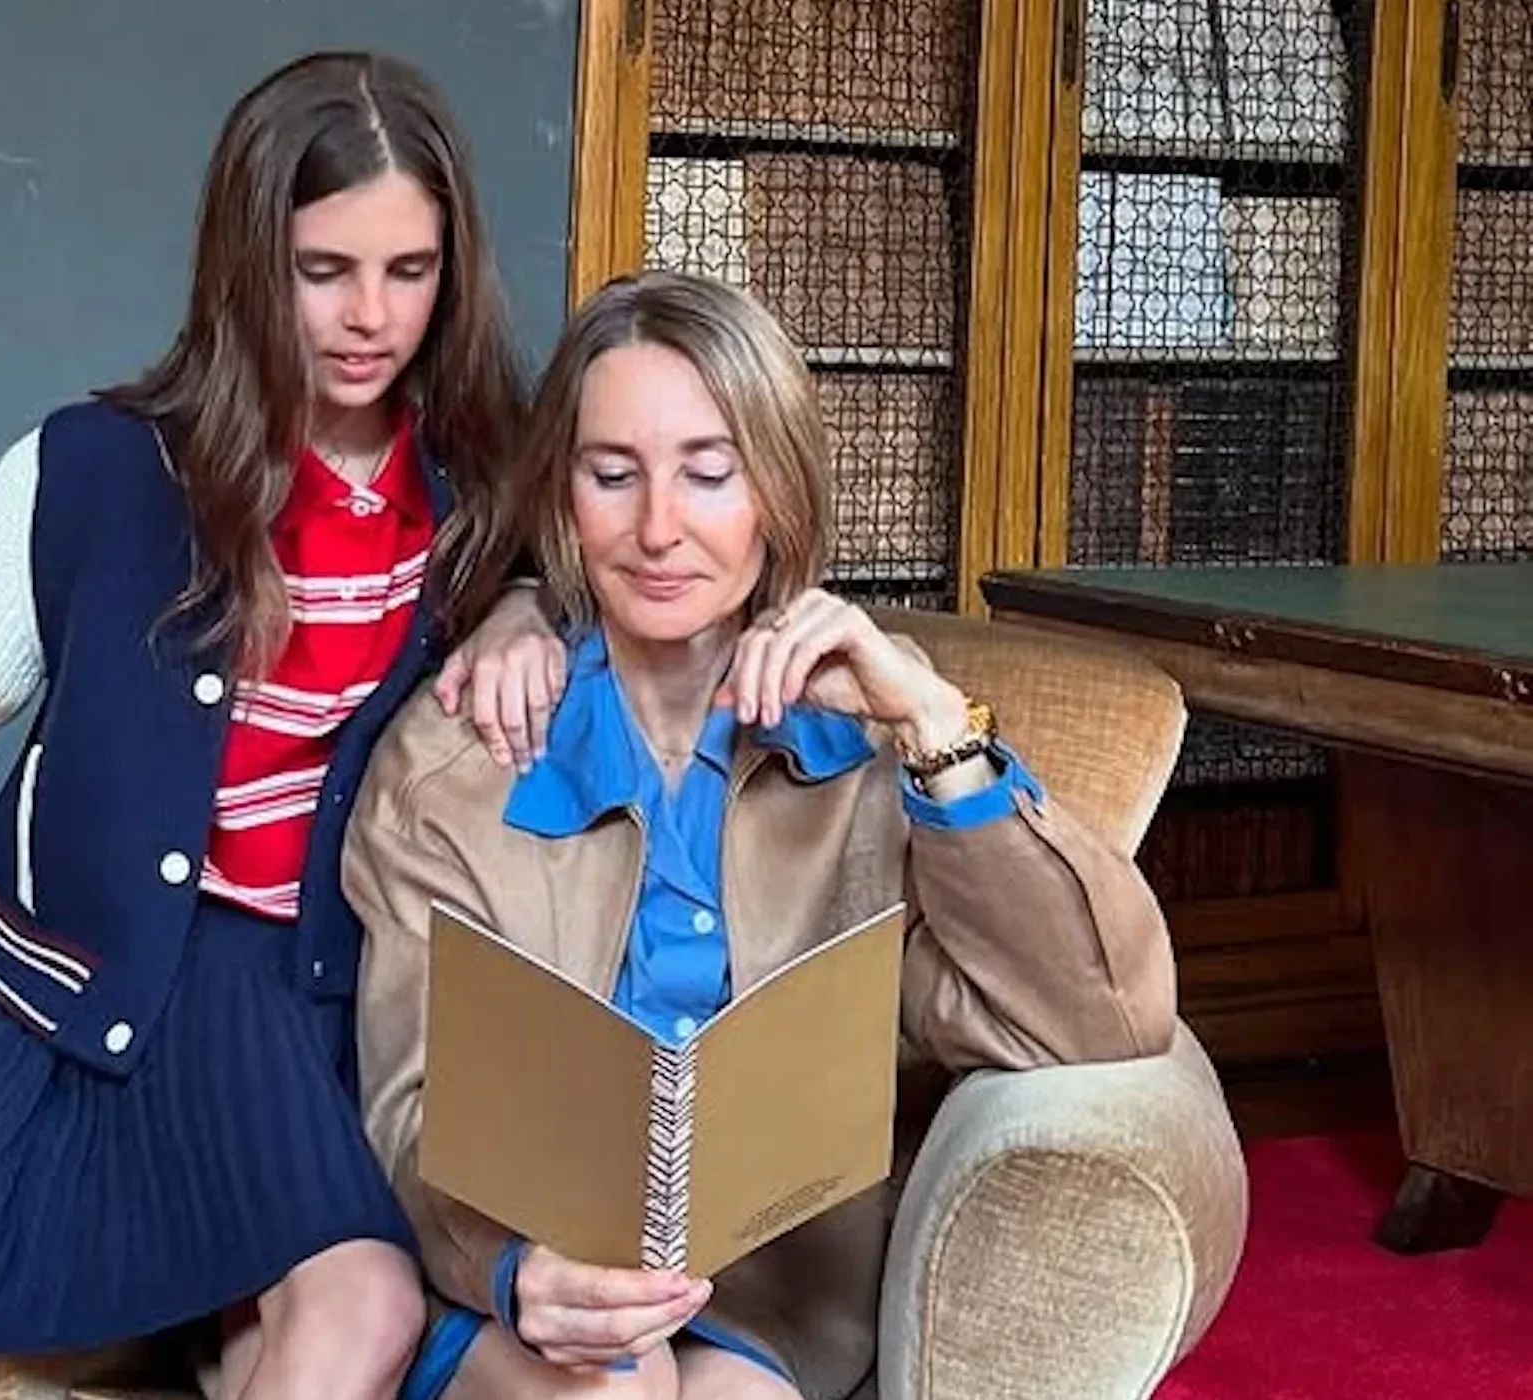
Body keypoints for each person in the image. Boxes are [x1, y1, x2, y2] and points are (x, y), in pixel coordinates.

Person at [0, 51, 565, 1400]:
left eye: (409, 271)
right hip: (178, 982)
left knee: (276, 1340)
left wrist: (523, 604)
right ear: (249, 263)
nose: (370, 316)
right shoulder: (100, 466)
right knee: (363, 1302)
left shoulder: (481, 484)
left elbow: (626, 582)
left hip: (364, 986)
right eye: (324, 269)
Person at [343, 270, 1179, 1400]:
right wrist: (513, 1268)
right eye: (612, 474)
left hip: (767, 1299)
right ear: (563, 495)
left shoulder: (876, 753)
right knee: (612, 1389)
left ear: (776, 490)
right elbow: (411, 1100)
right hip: (514, 1285)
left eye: (709, 471)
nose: (658, 529)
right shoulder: (456, 761)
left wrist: (940, 729)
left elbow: (1099, 1018)